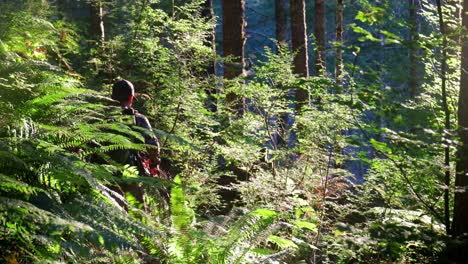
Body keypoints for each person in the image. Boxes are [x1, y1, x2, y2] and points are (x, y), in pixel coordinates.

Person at [111, 79, 161, 177]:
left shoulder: (99, 115)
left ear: (112, 97)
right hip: (129, 174)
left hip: (99, 174)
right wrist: (154, 164)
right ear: (131, 98)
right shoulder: (139, 119)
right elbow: (153, 147)